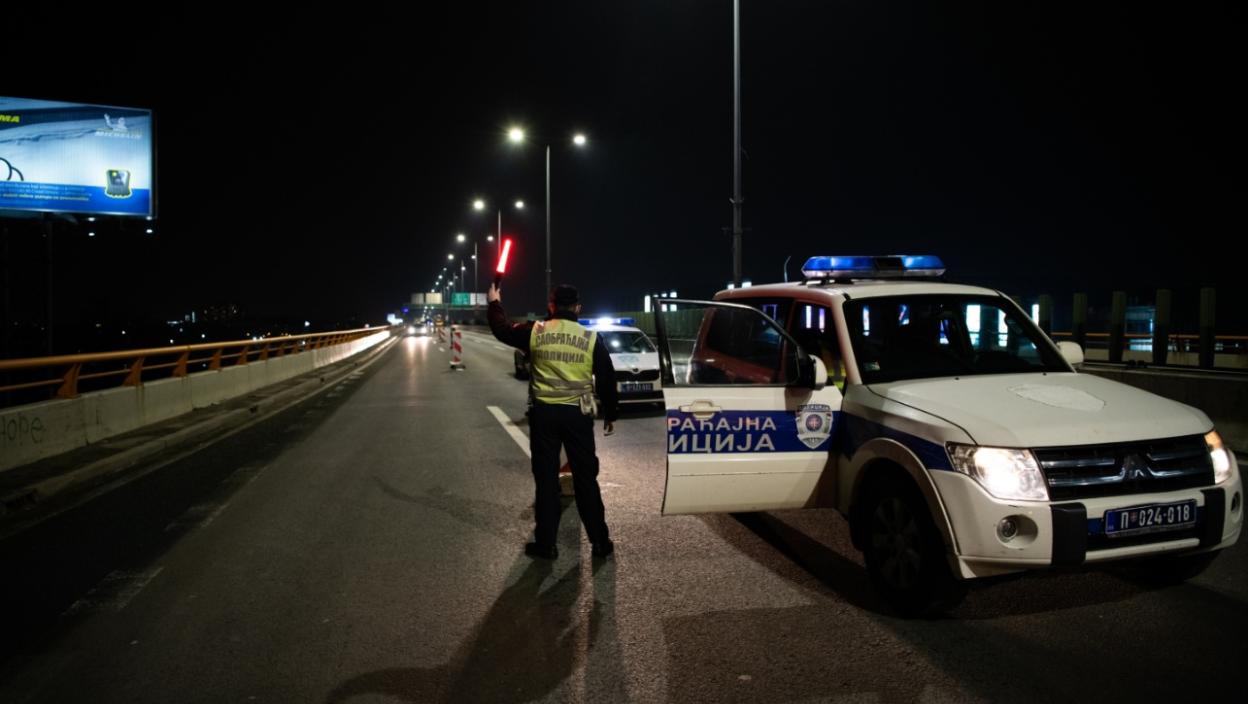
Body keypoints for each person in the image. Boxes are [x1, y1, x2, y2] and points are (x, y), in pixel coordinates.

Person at [488, 282, 618, 560]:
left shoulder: (536, 331)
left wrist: (494, 302)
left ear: (551, 306)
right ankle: (600, 543)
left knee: (546, 480)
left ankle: (546, 545)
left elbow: (501, 329)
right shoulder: (590, 338)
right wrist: (610, 413)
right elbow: (607, 377)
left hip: (544, 415)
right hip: (578, 416)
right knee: (585, 480)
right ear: (578, 308)